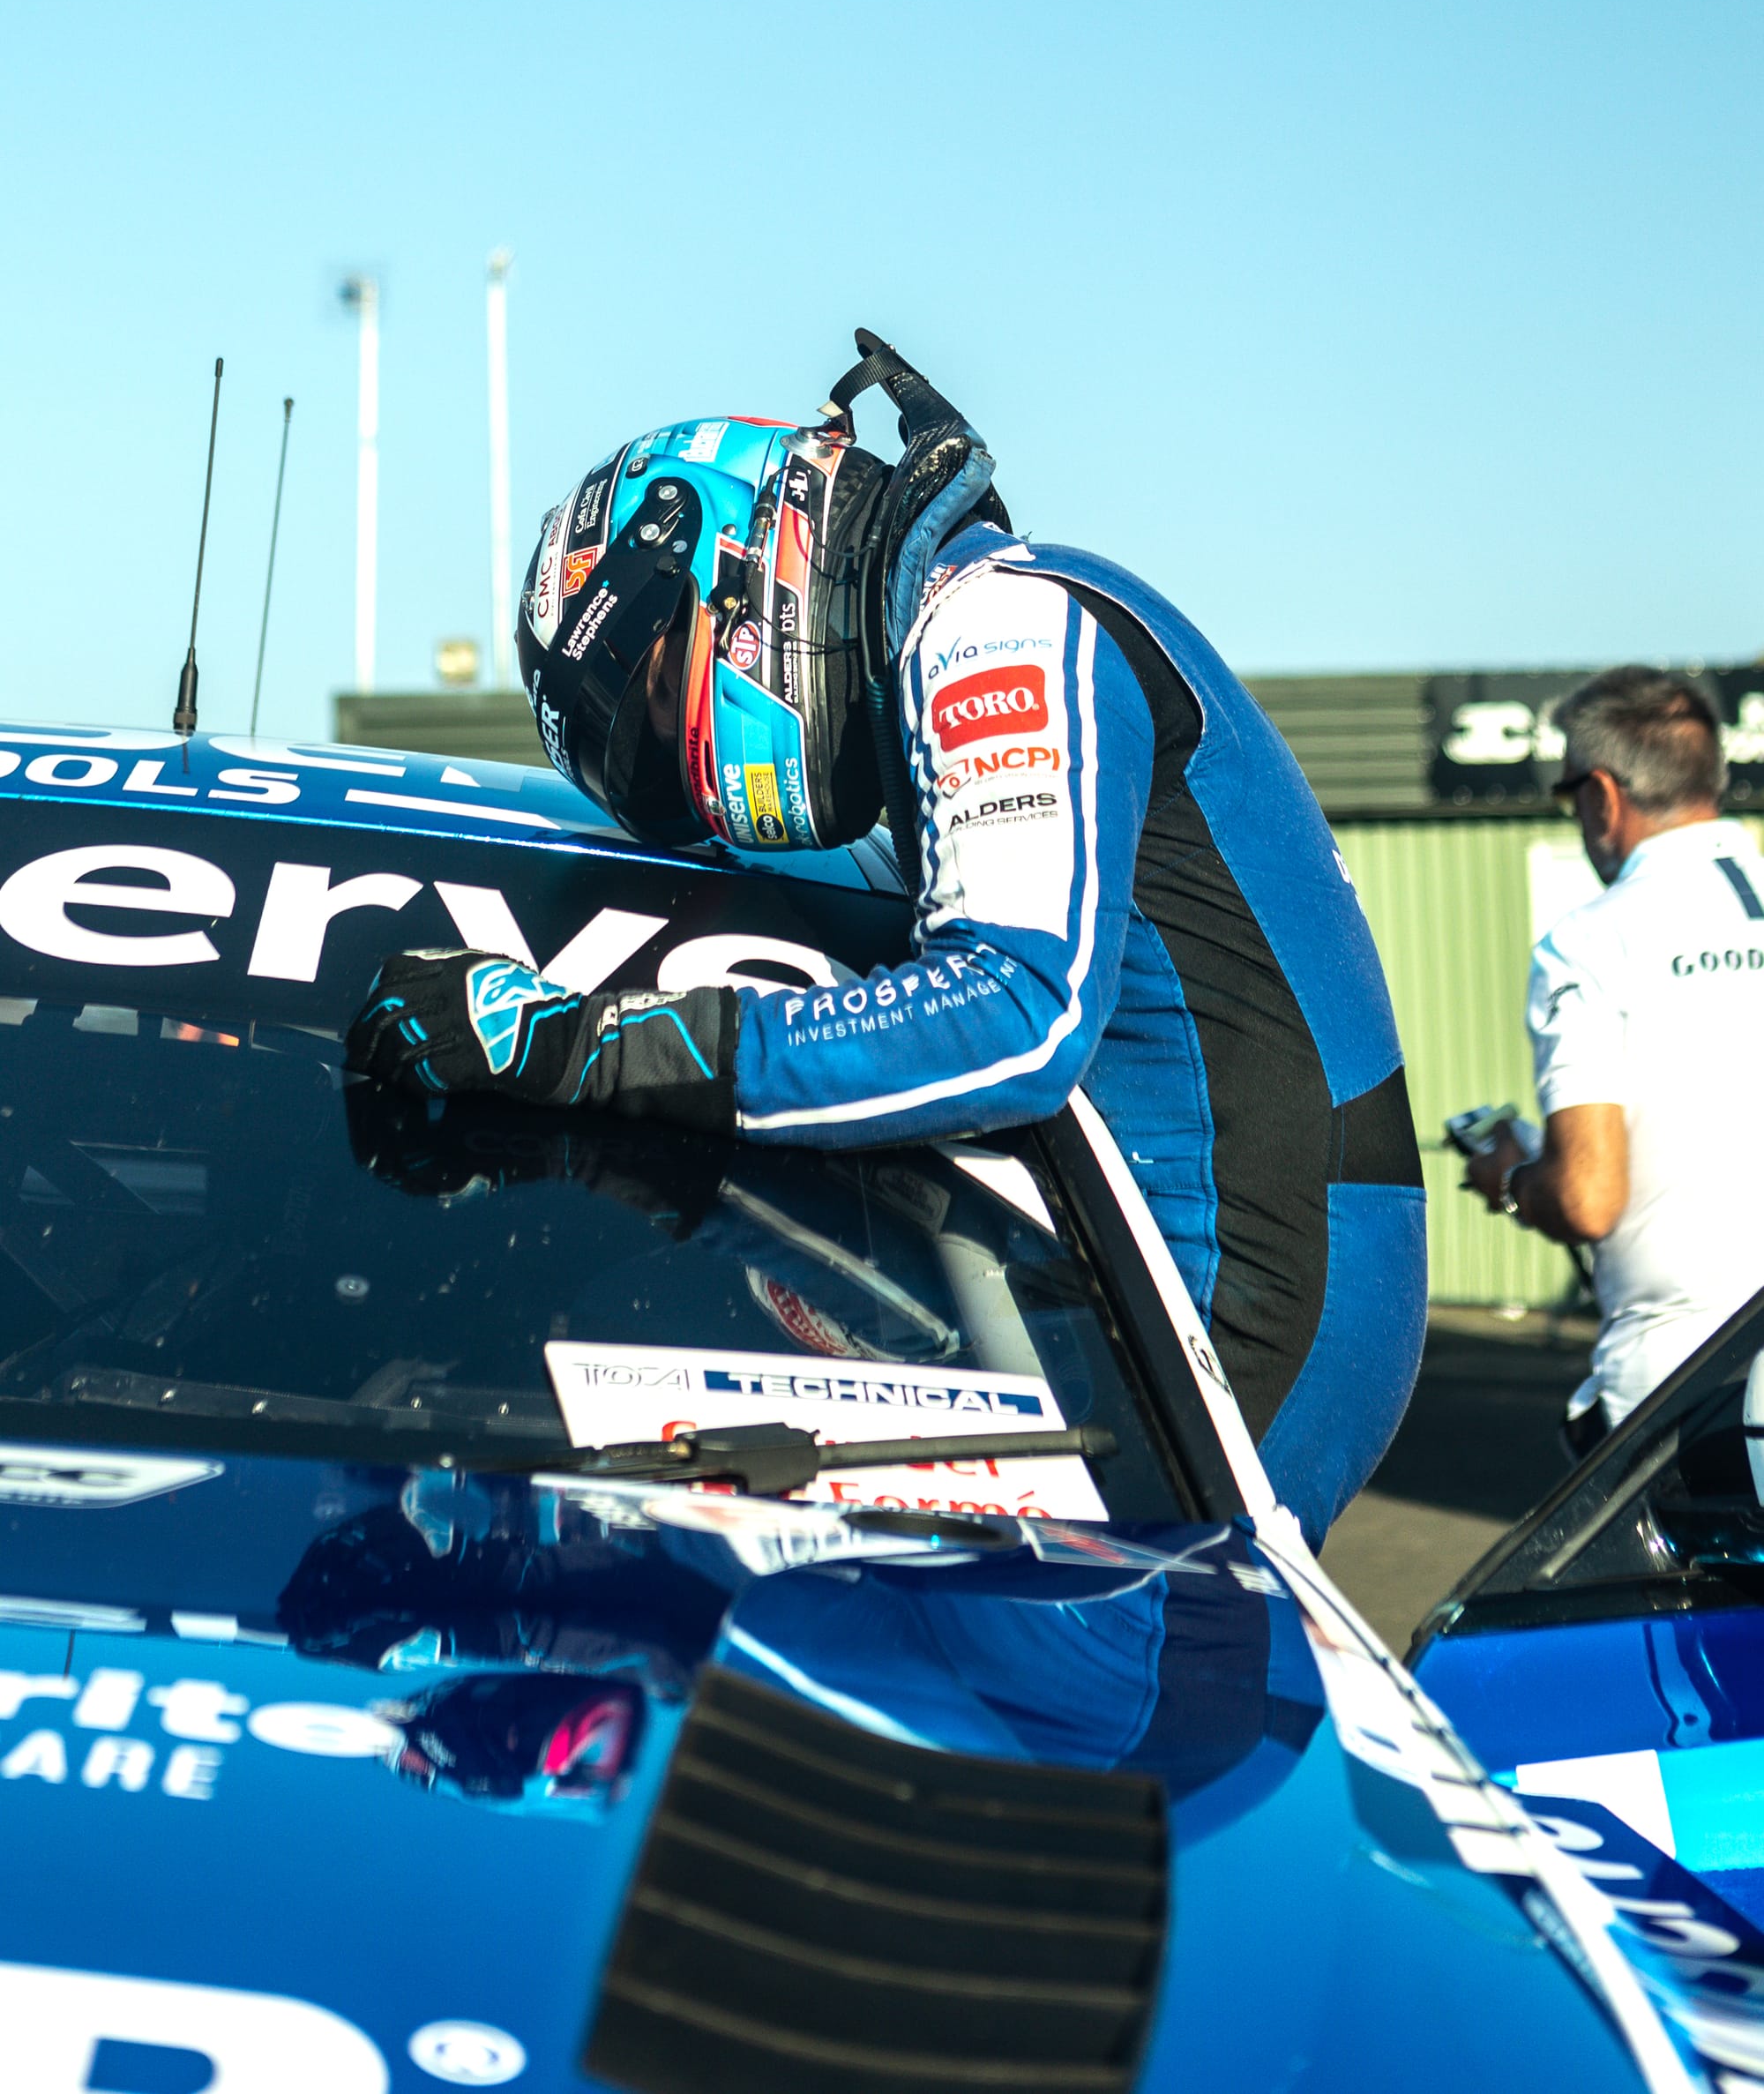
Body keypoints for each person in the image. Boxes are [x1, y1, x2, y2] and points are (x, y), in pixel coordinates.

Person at [348, 331, 1425, 1544]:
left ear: (713, 558)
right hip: (1184, 1274)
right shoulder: (950, 646)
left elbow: (1014, 1012)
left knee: (1085, 1650)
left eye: (651, 709)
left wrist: (585, 1048)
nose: (681, 786)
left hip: (1238, 1297)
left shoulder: (999, 623)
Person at [1463, 665, 1764, 1443]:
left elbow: (1587, 1196)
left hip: (1688, 1388)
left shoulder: (1590, 942)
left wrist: (1511, 1179)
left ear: (1601, 794)